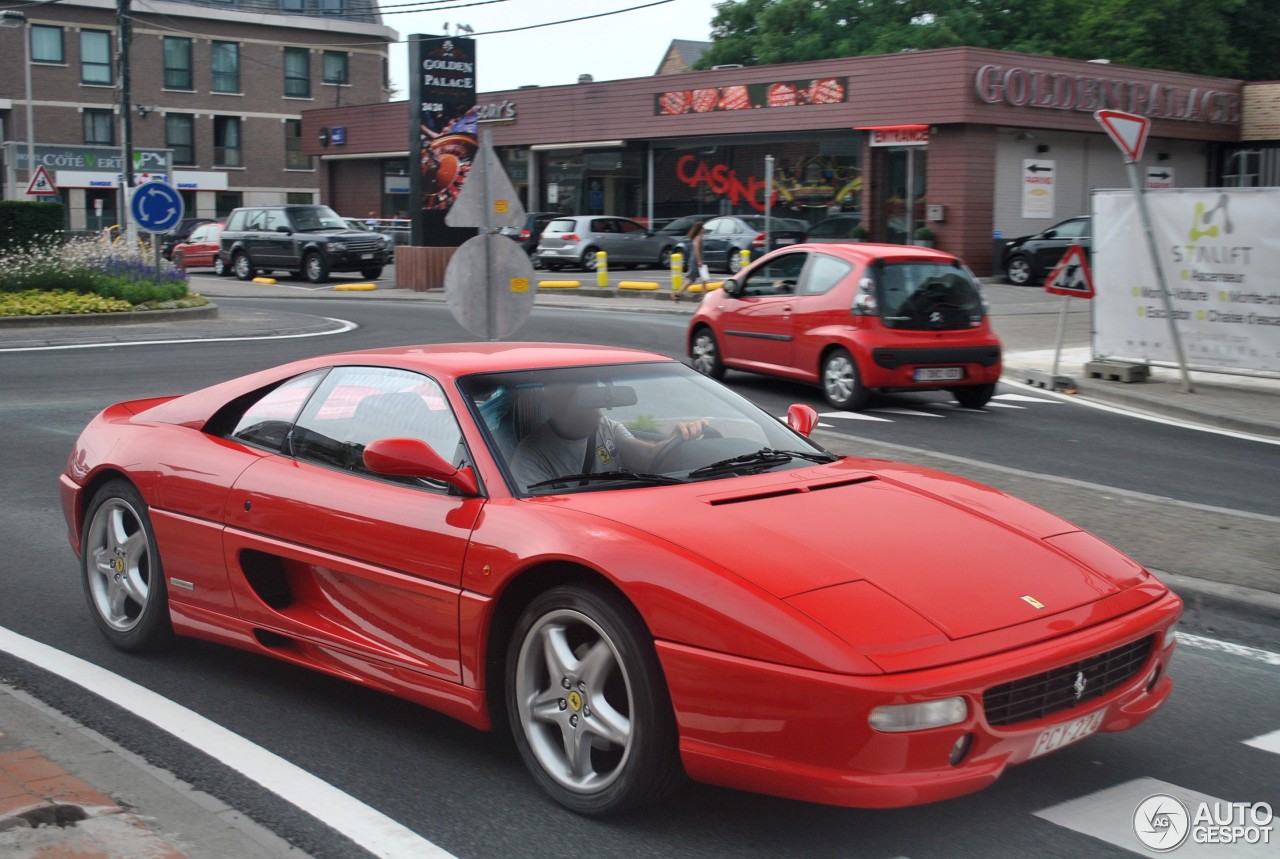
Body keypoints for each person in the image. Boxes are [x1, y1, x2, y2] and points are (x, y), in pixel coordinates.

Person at [510, 384, 707, 491]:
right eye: (586, 400)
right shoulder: (530, 455)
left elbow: (648, 456)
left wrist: (677, 438)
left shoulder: (608, 428)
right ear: (559, 405)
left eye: (597, 397)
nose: (597, 410)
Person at [673, 221, 707, 301]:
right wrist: (699, 261)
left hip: (697, 259)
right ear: (700, 229)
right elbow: (696, 249)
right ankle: (677, 294)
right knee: (692, 279)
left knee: (704, 278)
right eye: (703, 228)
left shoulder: (698, 237)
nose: (704, 230)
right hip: (696, 260)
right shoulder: (698, 238)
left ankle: (704, 295)